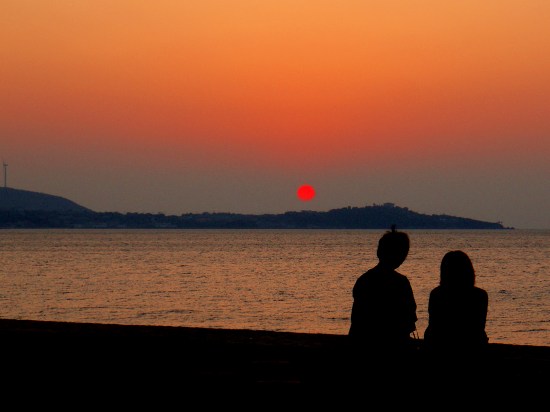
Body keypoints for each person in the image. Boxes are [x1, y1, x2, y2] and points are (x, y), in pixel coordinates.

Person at [349, 226, 418, 354]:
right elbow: (409, 320)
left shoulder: (363, 280)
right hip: (393, 347)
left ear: (379, 252)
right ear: (401, 255)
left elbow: (357, 320)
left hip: (363, 345)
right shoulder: (401, 283)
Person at [423, 250, 489, 355]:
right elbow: (478, 327)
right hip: (473, 348)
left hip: (438, 348)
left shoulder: (436, 294)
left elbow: (434, 326)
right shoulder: (480, 295)